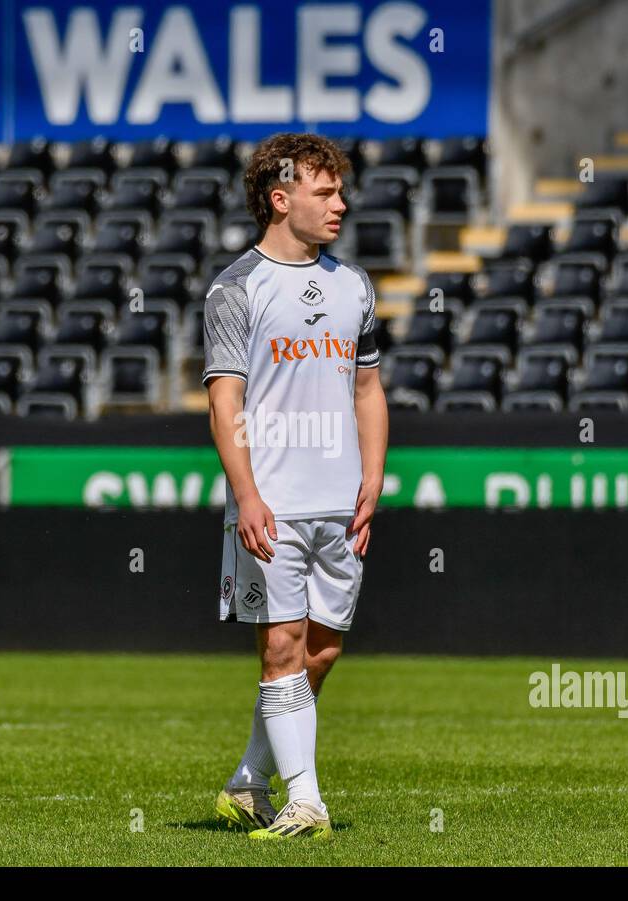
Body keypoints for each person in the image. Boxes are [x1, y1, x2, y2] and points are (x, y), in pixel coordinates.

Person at [203, 132, 389, 840]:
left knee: (321, 652)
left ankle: (249, 781)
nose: (340, 204)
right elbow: (224, 402)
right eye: (325, 192)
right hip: (272, 505)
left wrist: (373, 476)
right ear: (280, 200)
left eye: (339, 191)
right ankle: (306, 803)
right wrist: (247, 495)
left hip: (340, 505)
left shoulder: (354, 285)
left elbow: (367, 389)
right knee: (280, 647)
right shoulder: (236, 289)